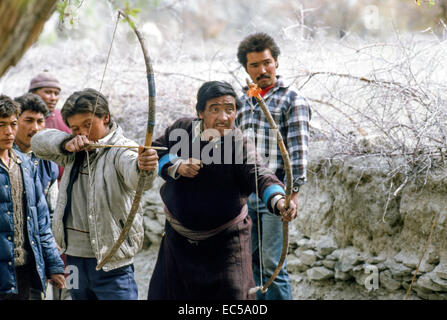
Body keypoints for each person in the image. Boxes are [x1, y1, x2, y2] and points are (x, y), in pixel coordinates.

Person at [147, 81, 297, 300]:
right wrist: (177, 165)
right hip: (178, 241)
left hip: (227, 244)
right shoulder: (181, 129)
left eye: (230, 109)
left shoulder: (239, 143)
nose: (224, 117)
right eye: (214, 109)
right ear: (200, 112)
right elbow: (156, 151)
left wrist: (278, 199)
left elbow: (259, 173)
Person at [30, 88, 159, 300]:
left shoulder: (122, 149)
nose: (83, 133)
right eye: (75, 128)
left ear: (105, 117)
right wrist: (65, 143)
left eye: (88, 125)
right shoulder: (72, 152)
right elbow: (38, 142)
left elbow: (138, 178)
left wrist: (143, 166)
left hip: (112, 263)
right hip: (73, 260)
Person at [236, 33, 311, 300]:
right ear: (246, 69)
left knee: (273, 265)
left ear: (276, 62)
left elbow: (298, 152)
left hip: (276, 194)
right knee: (249, 262)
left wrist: (293, 193)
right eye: (254, 65)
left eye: (267, 62)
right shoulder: (243, 101)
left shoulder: (292, 99)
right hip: (247, 195)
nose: (262, 70)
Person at [0, 94, 65, 300]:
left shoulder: (26, 165)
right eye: (1, 125)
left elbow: (41, 221)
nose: (9, 132)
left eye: (12, 124)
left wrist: (53, 264)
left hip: (26, 270)